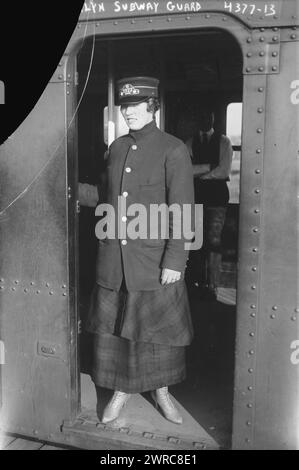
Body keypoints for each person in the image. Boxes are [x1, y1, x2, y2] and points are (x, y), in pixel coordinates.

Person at [85, 77, 194, 425]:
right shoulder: (116, 147)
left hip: (153, 263)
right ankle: (120, 393)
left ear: (152, 106)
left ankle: (162, 392)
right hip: (114, 263)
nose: (128, 112)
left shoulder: (173, 149)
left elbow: (183, 210)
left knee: (157, 335)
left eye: (135, 106)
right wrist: (68, 188)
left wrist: (175, 260)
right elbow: (105, 199)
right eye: (124, 106)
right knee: (117, 332)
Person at [186, 110, 233, 301]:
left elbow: (224, 171)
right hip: (195, 198)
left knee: (213, 242)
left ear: (213, 119)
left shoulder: (225, 142)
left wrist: (200, 175)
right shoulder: (189, 143)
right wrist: (208, 168)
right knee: (195, 242)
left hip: (216, 199)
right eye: (202, 116)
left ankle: (212, 284)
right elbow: (185, 170)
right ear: (198, 119)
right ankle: (196, 282)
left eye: (209, 116)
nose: (205, 119)